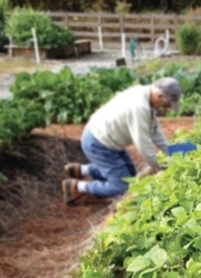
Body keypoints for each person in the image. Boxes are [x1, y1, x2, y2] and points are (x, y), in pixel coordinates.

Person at [62, 77, 182, 205]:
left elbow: (155, 131)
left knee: (130, 174)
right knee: (123, 187)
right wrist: (156, 167)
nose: (166, 108)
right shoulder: (139, 107)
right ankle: (77, 187)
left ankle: (82, 170)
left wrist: (172, 152)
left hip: (106, 139)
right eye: (167, 104)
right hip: (98, 143)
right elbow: (142, 144)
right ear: (158, 96)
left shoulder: (145, 94)